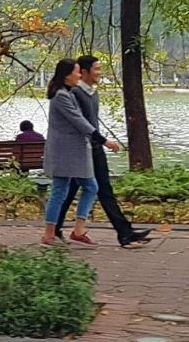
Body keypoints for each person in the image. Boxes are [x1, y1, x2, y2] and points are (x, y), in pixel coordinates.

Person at [53, 55, 151, 248]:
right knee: (77, 190)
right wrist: (103, 141)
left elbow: (91, 123)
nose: (99, 72)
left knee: (97, 190)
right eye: (96, 69)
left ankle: (124, 233)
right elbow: (80, 124)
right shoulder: (74, 94)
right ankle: (56, 229)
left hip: (94, 148)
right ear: (84, 72)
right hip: (83, 150)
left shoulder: (91, 93)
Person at [39, 59, 119, 247]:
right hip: (64, 153)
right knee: (59, 191)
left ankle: (78, 230)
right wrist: (104, 141)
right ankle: (49, 235)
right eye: (77, 72)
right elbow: (79, 121)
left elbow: (83, 118)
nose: (80, 75)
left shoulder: (69, 94)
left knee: (91, 187)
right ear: (67, 75)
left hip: (75, 152)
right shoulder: (61, 96)